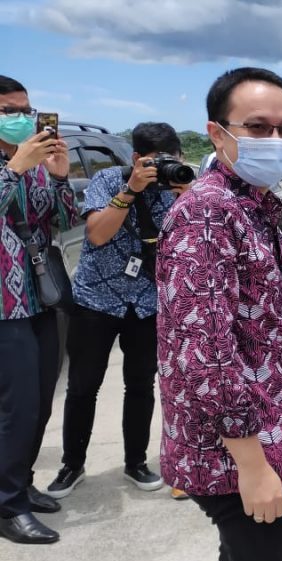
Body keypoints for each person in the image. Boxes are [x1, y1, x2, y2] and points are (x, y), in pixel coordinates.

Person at [157, 67, 282, 561]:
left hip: (269, 431)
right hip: (239, 452)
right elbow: (205, 354)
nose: (276, 140)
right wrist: (251, 464)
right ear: (217, 133)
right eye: (258, 127)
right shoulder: (207, 213)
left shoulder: (257, 205)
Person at [46, 123, 189, 502]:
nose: (160, 168)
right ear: (136, 158)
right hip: (97, 299)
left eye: (168, 161)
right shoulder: (109, 180)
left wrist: (189, 197)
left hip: (147, 301)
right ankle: (72, 464)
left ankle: (136, 462)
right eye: (152, 161)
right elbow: (96, 234)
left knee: (141, 385)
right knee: (82, 387)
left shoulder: (182, 186)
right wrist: (132, 190)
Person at [0, 74, 77, 545]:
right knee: (17, 406)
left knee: (42, 398)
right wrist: (13, 169)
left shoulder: (35, 166)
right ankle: (8, 506)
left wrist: (60, 175)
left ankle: (20, 482)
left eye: (26, 109)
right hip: (3, 307)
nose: (22, 118)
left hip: (40, 295)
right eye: (9, 110)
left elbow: (65, 221)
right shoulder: (16, 165)